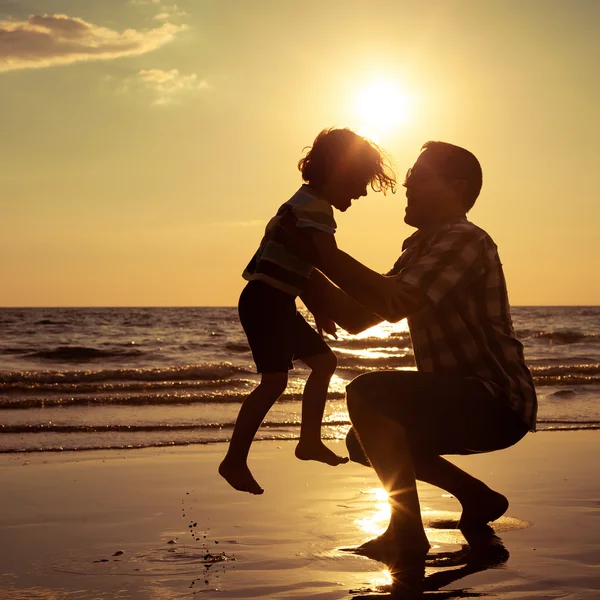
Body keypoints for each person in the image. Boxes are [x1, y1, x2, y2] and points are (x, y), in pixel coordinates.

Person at [287, 140, 537, 563]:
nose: (406, 188)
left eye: (418, 180)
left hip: (496, 400)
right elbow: (356, 317)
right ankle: (478, 497)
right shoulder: (419, 247)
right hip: (461, 398)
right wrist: (294, 269)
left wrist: (317, 252)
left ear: (456, 188)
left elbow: (392, 301)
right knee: (361, 441)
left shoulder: (464, 239)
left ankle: (405, 532)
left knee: (367, 393)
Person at [218, 128, 396, 495]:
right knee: (274, 382)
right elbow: (327, 260)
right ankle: (234, 460)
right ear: (338, 172)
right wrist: (381, 285)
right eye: (359, 183)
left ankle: (308, 442)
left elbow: (302, 265)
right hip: (265, 302)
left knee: (324, 363)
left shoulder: (303, 203)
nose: (361, 192)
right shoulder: (314, 210)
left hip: (278, 299)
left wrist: (317, 308)